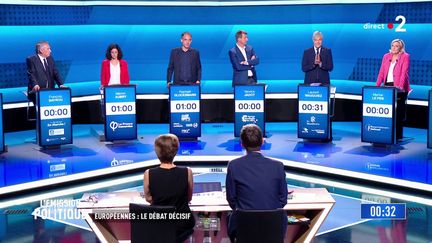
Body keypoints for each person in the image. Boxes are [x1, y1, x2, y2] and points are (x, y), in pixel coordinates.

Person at [225, 124, 288, 241]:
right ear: (263, 142)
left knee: (230, 217)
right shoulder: (278, 166)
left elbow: (232, 200)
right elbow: (283, 199)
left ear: (242, 144)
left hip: (245, 229)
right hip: (273, 229)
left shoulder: (233, 165)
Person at [143, 134, 195, 242]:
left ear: (157, 152)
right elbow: (189, 198)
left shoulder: (148, 173)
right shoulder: (187, 172)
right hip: (182, 224)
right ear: (175, 151)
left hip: (159, 223)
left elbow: (148, 198)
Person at [376, 39, 411, 140]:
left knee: (399, 112)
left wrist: (399, 87)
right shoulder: (386, 56)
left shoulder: (405, 56)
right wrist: (377, 86)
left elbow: (404, 73)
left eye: (397, 46)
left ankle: (398, 135)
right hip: (388, 86)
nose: (394, 47)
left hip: (400, 88)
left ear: (401, 47)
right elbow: (381, 72)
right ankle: (388, 133)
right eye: (393, 45)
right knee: (389, 112)